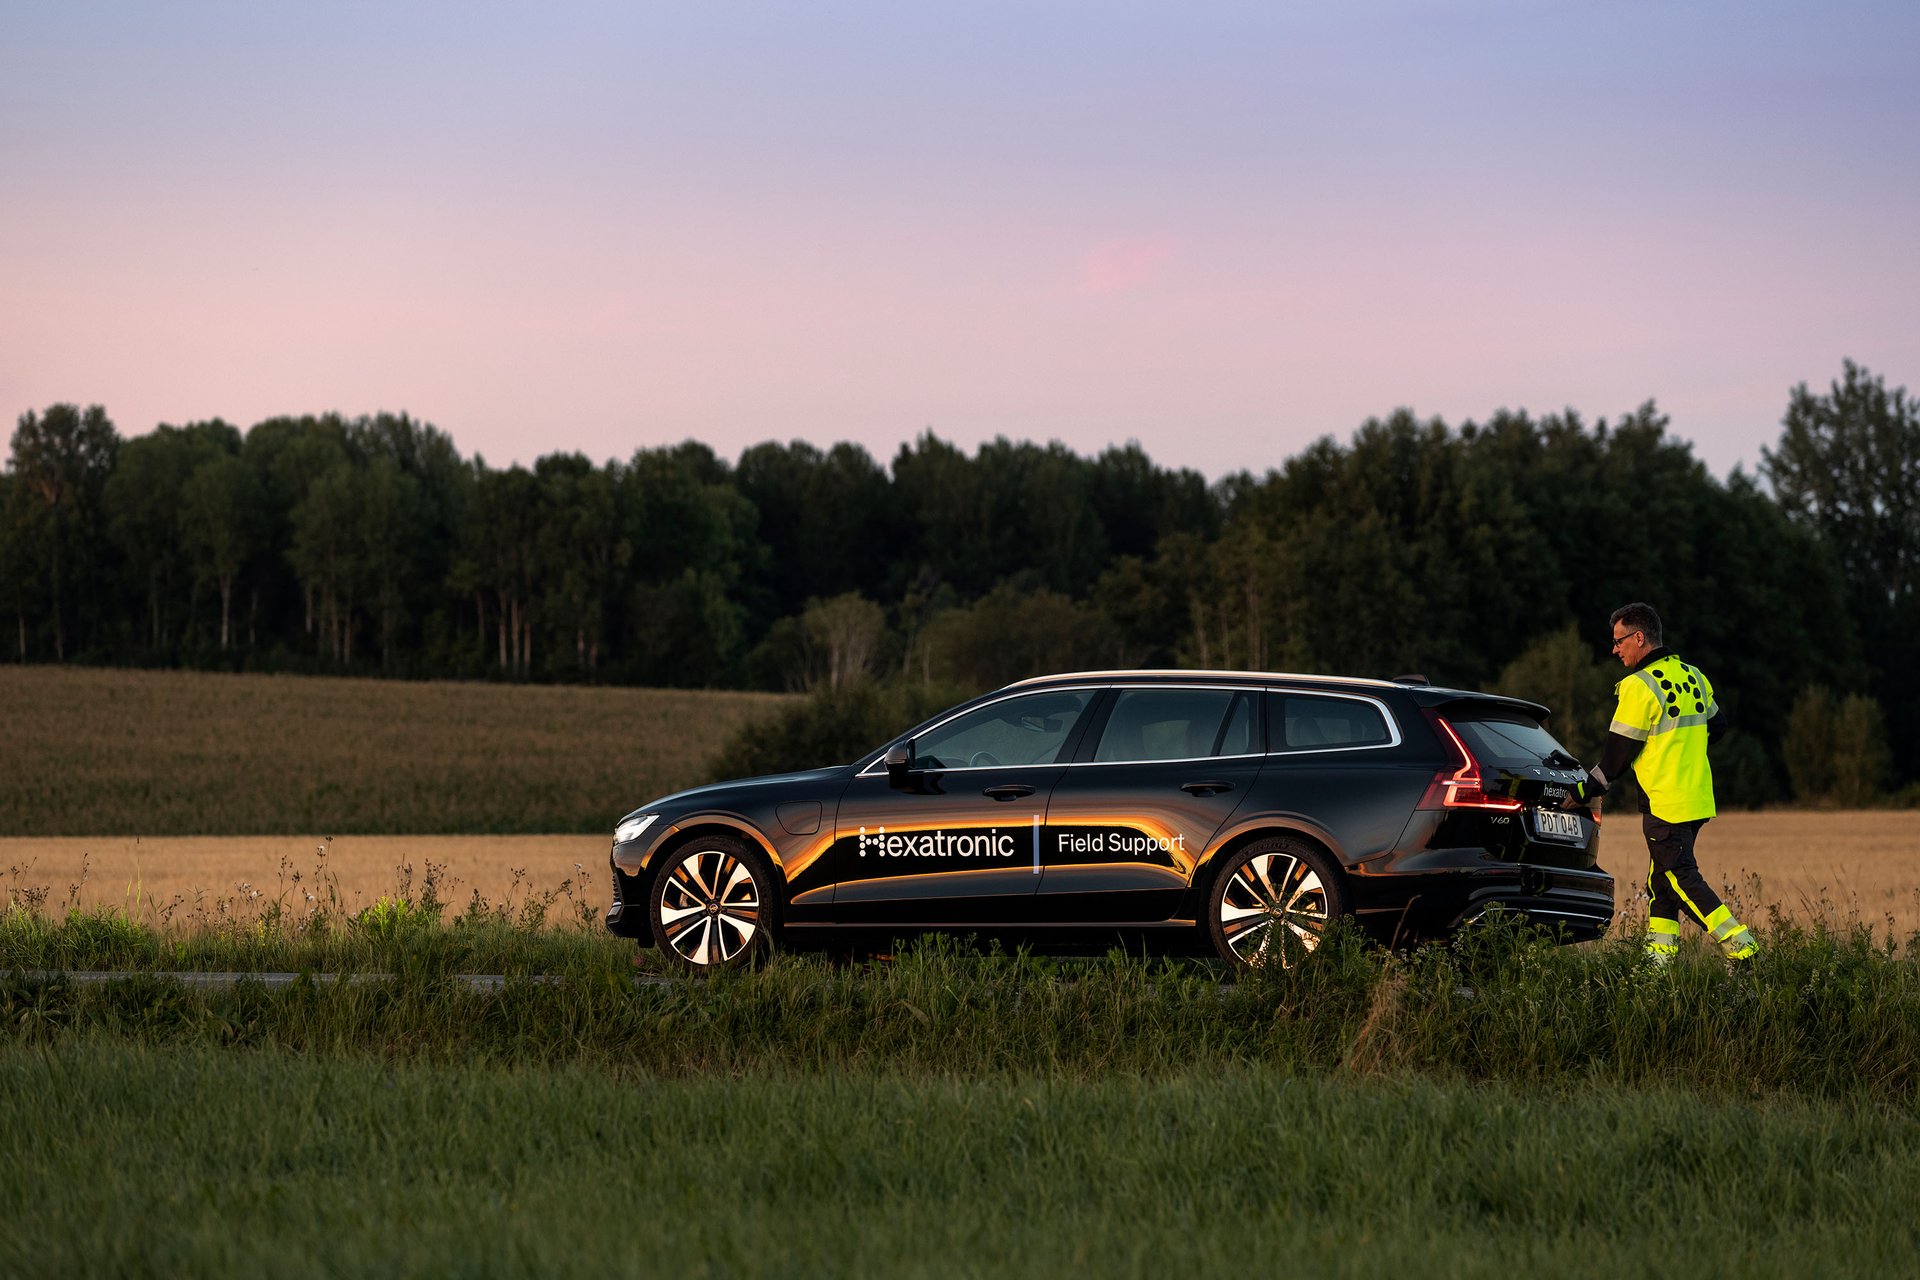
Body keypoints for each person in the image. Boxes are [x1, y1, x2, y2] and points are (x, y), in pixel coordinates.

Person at [1580, 602, 1757, 965]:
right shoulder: (1692, 675)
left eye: (1619, 641)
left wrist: (1580, 792)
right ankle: (1658, 967)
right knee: (1660, 884)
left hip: (1666, 803)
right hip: (1696, 800)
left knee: (1680, 879)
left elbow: (1615, 758)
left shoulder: (1638, 686)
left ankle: (1743, 950)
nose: (1615, 649)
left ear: (1639, 637)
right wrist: (1683, 752)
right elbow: (1718, 725)